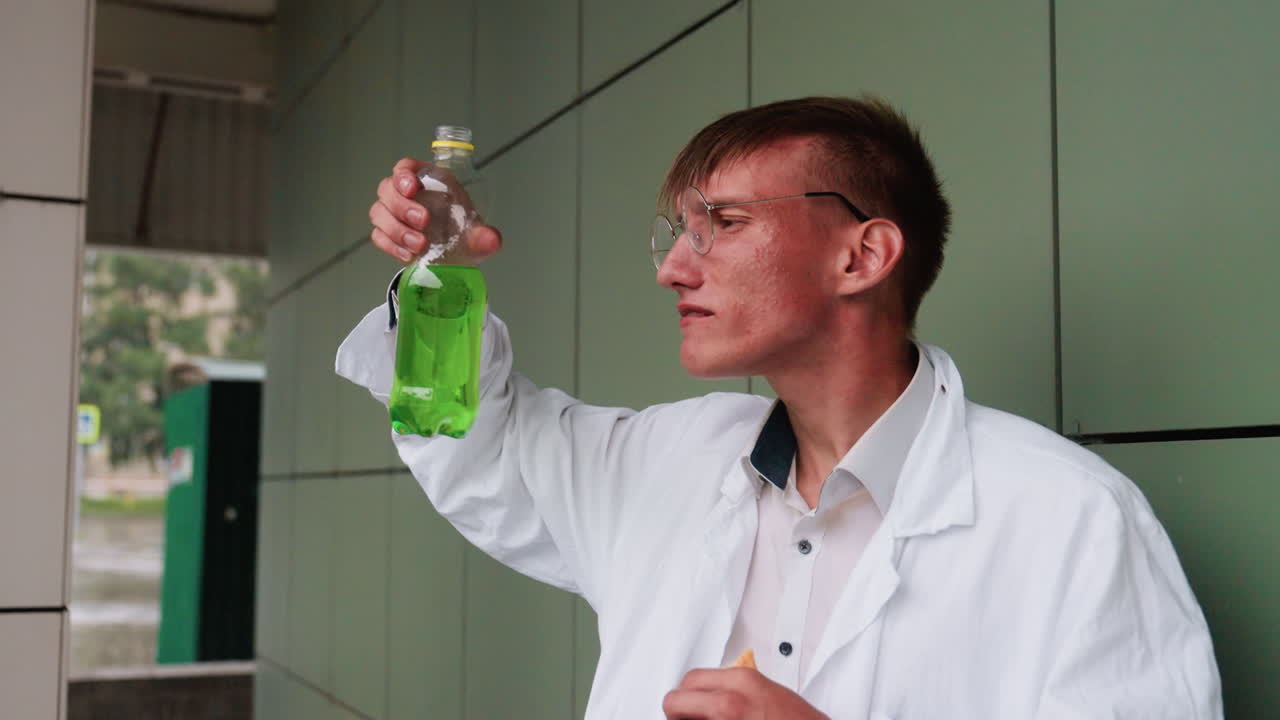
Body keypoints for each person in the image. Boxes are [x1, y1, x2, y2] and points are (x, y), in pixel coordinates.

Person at [337, 96, 1222, 719]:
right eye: (677, 232)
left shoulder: (1071, 519)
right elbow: (474, 441)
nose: (674, 268)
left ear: (863, 254)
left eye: (722, 222)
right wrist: (438, 280)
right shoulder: (666, 464)